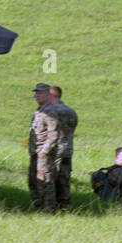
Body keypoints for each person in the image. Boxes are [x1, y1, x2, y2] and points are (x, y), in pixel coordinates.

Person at [27, 83, 59, 212]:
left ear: (47, 94)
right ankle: (38, 206)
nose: (36, 95)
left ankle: (49, 208)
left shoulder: (50, 111)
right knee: (33, 180)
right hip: (35, 152)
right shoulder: (39, 111)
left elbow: (54, 134)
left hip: (43, 153)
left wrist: (45, 151)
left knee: (45, 180)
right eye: (36, 93)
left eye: (39, 93)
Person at [48, 86, 78, 210]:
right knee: (65, 178)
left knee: (51, 178)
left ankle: (52, 205)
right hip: (67, 150)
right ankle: (65, 205)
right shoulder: (71, 111)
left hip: (54, 150)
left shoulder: (50, 111)